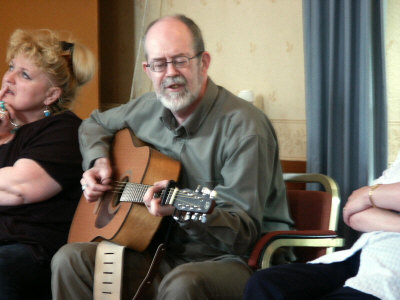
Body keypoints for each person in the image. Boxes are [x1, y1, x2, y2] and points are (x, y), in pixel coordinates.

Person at [51, 14, 293, 300]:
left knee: (183, 283)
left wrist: (181, 208)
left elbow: (241, 235)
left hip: (236, 261)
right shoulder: (145, 108)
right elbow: (94, 124)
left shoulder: (246, 127)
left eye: (180, 60)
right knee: (70, 260)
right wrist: (98, 162)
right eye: (159, 64)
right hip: (159, 252)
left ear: (203, 62)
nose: (170, 73)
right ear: (147, 70)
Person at [0, 29, 95, 300]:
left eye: (24, 75)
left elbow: (16, 189)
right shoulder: (8, 131)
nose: (9, 78)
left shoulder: (63, 130)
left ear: (51, 95)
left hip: (32, 251)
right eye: (11, 68)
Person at [243, 152, 400, 300]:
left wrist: (369, 195)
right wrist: (371, 197)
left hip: (392, 264)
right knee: (266, 284)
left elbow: (364, 199)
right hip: (365, 254)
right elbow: (354, 213)